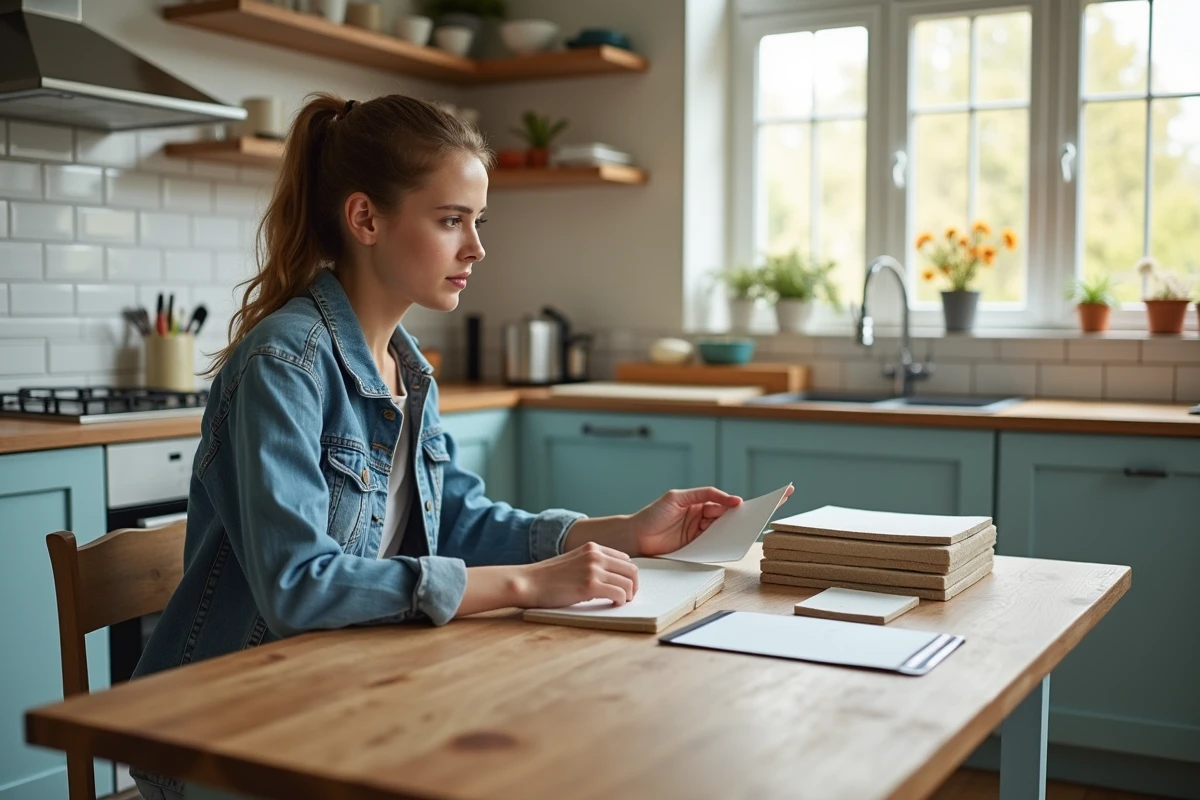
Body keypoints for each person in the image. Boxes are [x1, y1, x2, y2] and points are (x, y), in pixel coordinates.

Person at [130, 93, 787, 800]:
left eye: (477, 221)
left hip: (344, 692)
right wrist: (529, 584)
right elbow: (299, 586)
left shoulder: (408, 368)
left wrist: (623, 532)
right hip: (230, 735)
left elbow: (460, 523)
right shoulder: (283, 365)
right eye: (450, 221)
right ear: (366, 219)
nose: (476, 247)